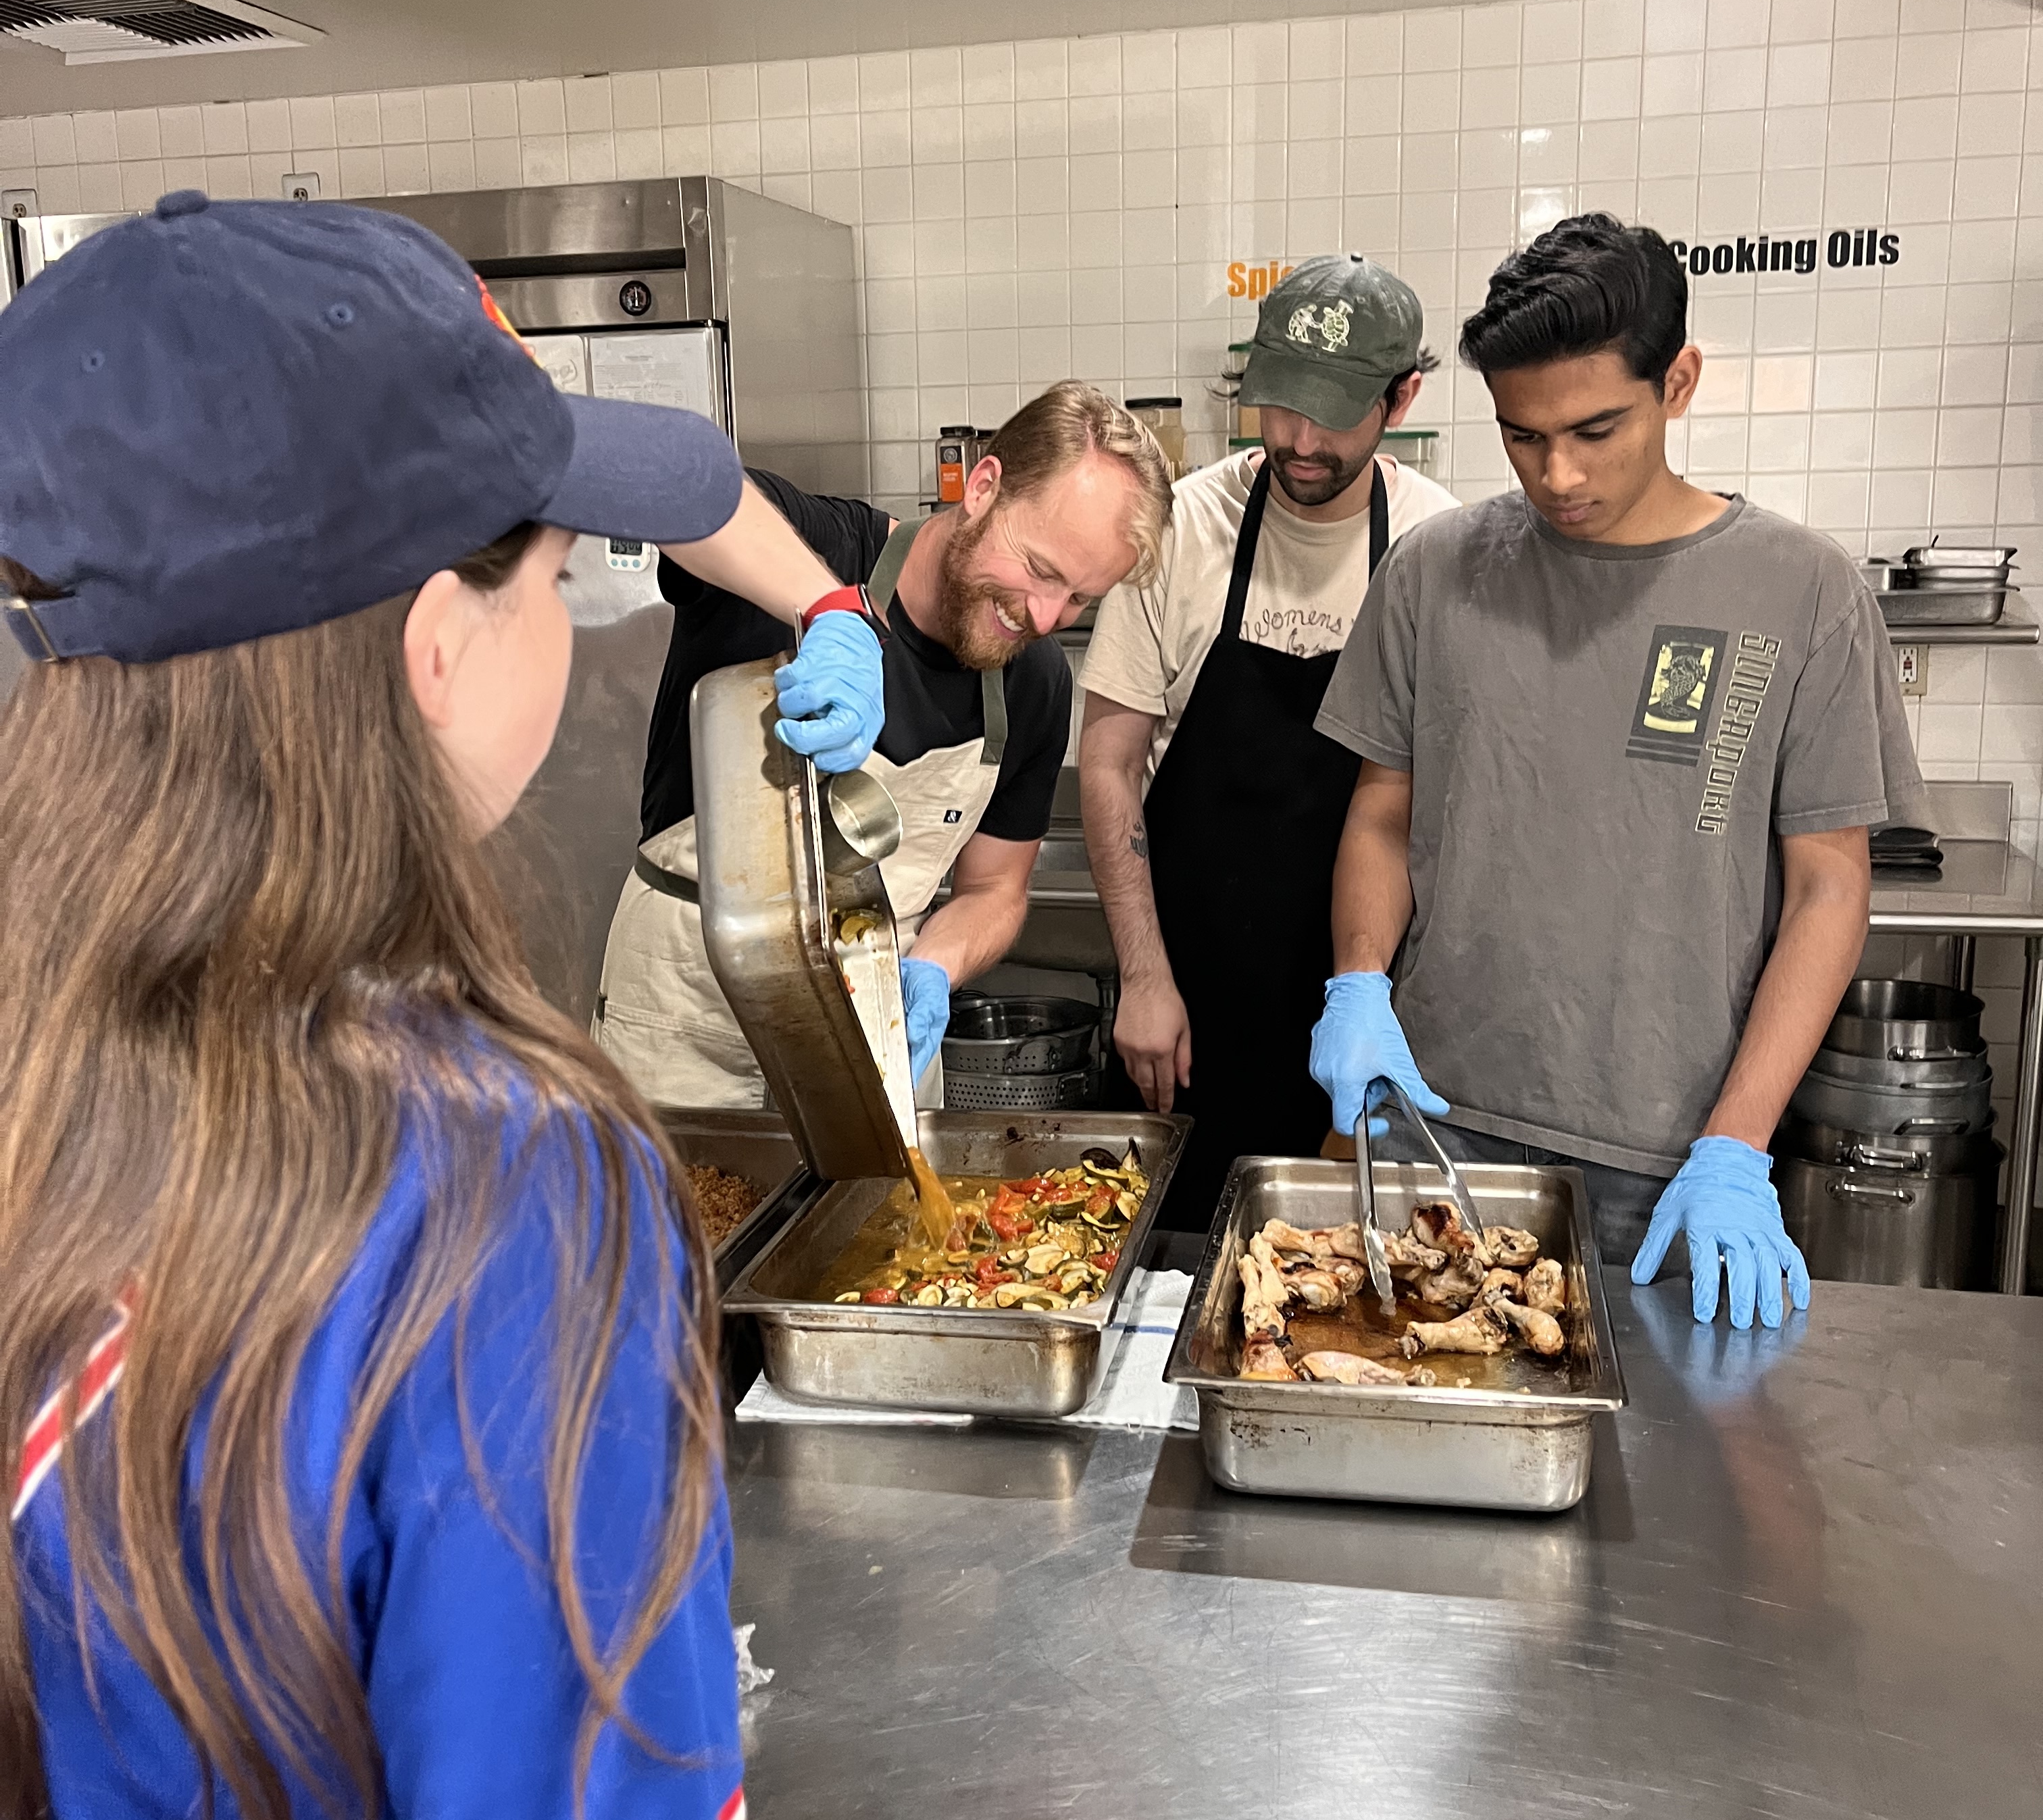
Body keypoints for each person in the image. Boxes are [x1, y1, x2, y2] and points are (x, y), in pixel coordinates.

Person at [0, 191, 882, 1820]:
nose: (580, 626)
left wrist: (833, 613)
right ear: (433, 643)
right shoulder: (498, 1194)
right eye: (559, 573)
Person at [1308, 212, 1925, 1327]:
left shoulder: (1798, 591)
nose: (1557, 472)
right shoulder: (1433, 572)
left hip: (1667, 1158)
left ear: (1675, 381)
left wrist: (1735, 1140)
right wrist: (1357, 983)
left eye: (1594, 428)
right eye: (1519, 435)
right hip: (1428, 1123)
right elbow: (1381, 811)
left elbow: (1828, 887)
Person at [594, 383, 1172, 1107]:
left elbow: (996, 890)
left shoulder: (1034, 684)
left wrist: (934, 963)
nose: (1047, 616)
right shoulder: (816, 544)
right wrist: (823, 606)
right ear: (984, 488)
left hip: (867, 1031)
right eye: (1042, 570)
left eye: (1081, 598)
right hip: (684, 1027)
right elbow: (658, 472)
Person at [1079, 255, 1456, 1227]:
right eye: (1280, 406)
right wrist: (1143, 976)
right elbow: (1112, 766)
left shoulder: (1438, 547)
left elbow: (1442, 803)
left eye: (1332, 412)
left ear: (1402, 395)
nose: (1299, 440)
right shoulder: (1184, 528)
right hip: (1190, 1013)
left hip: (1369, 1018)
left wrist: (1396, 1011)